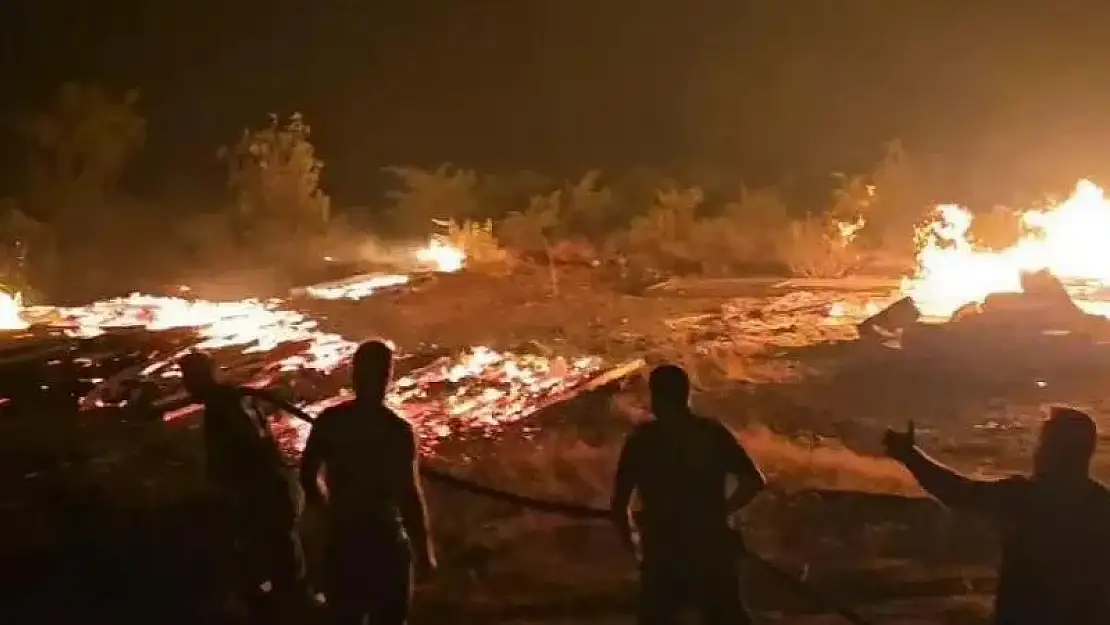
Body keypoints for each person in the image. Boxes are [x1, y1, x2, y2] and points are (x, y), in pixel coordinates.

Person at [884, 406, 1110, 625]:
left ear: (1056, 450)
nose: (1037, 451)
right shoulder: (1102, 505)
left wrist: (910, 456)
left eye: (1043, 443)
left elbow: (958, 492)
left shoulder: (1024, 498)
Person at [611, 364, 766, 625]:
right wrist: (720, 513)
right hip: (710, 547)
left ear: (656, 396)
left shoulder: (642, 441)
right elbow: (753, 481)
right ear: (686, 394)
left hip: (663, 551)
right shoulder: (711, 433)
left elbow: (619, 505)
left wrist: (635, 544)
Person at [299, 339, 436, 625]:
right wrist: (424, 552)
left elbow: (308, 475)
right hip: (384, 539)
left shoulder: (331, 421)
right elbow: (408, 496)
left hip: (344, 539)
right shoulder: (396, 430)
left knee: (345, 615)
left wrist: (327, 515)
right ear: (388, 378)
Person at [179, 351, 310, 622]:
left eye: (192, 376)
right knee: (275, 563)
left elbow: (251, 448)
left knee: (270, 566)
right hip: (267, 493)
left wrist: (234, 488)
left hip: (263, 497)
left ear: (208, 374)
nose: (188, 384)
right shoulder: (233, 399)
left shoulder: (225, 405)